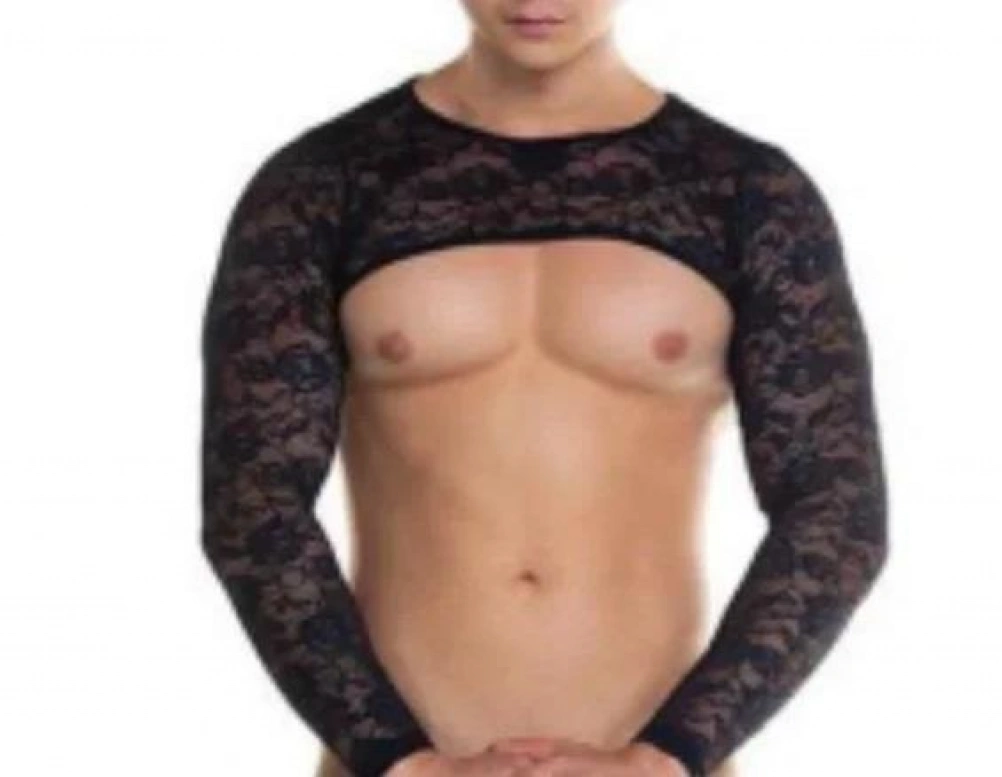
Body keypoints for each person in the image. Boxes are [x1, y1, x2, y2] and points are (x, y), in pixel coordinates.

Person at [198, 1, 889, 775]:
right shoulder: (324, 183)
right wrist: (397, 757)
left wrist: (669, 754)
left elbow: (835, 508)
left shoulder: (747, 192)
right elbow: (253, 503)